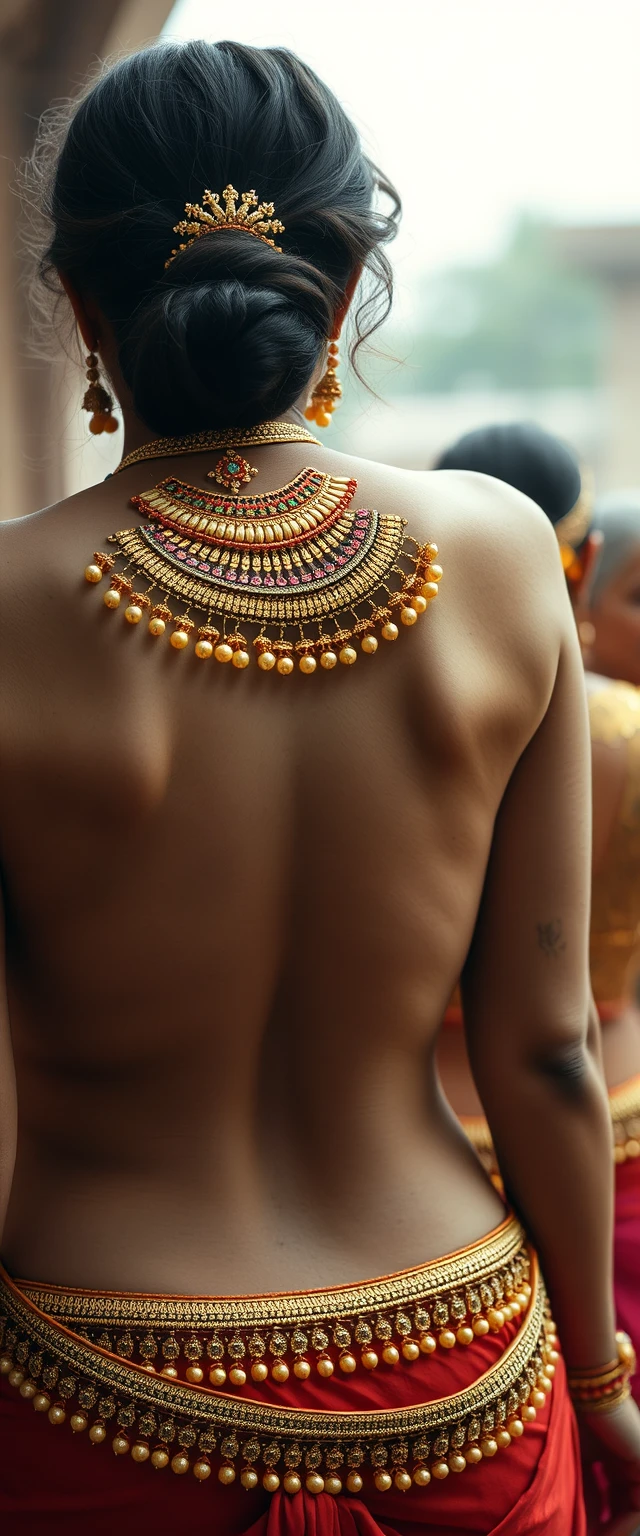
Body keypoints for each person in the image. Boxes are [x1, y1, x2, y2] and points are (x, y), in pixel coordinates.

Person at [0, 42, 638, 1536]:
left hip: (100, 1396)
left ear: (83, 309)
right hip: (459, 1384)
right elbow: (547, 1050)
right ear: (342, 295)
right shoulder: (496, 560)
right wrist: (603, 1389)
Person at [435, 424, 640, 1529]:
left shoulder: (385, 709)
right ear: (583, 558)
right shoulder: (616, 723)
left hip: (423, 1141)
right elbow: (556, 1039)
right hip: (604, 1122)